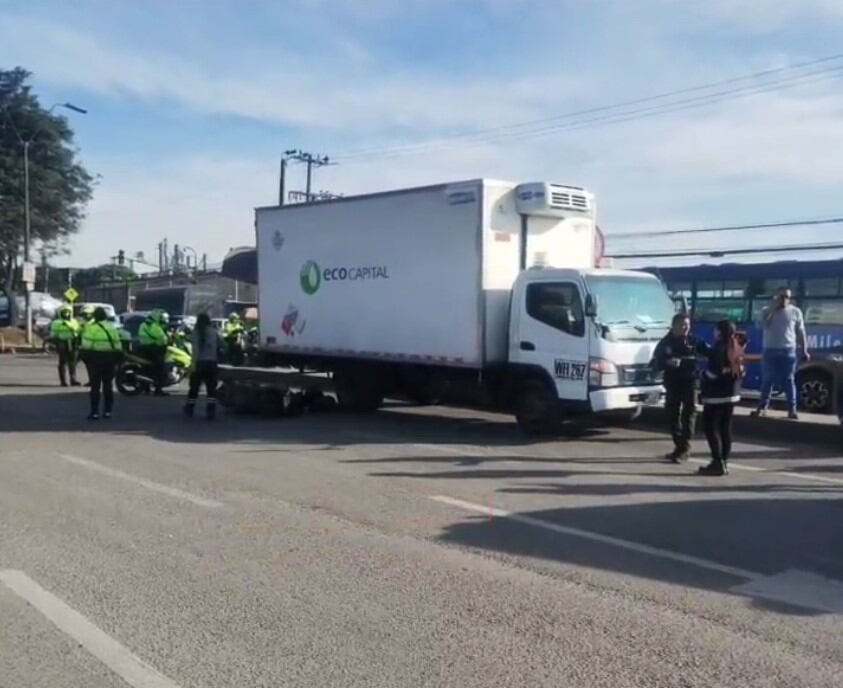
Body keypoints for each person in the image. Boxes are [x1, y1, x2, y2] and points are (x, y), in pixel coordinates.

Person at [651, 313, 709, 462]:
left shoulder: (693, 341)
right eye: (682, 325)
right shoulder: (665, 343)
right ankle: (680, 445)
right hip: (673, 383)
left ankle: (684, 448)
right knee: (672, 416)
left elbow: (710, 352)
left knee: (689, 414)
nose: (685, 328)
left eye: (688, 325)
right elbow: (655, 363)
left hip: (691, 383)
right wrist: (667, 363)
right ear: (674, 325)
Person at [752, 287, 809, 420]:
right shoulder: (766, 311)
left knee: (789, 380)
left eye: (787, 297)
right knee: (767, 380)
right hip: (770, 350)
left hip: (788, 350)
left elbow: (801, 332)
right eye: (781, 296)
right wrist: (773, 310)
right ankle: (762, 408)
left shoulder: (795, 312)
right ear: (776, 297)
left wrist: (804, 349)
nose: (784, 299)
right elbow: (762, 326)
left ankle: (792, 410)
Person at [698, 320, 747, 476]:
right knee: (725, 428)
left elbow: (714, 373)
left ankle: (717, 462)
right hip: (732, 394)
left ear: (719, 331)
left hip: (715, 396)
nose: (714, 333)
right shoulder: (736, 346)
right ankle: (724, 461)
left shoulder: (720, 347)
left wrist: (701, 376)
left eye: (715, 330)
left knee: (710, 428)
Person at [79, 306, 123, 420]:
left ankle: (94, 412)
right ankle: (108, 411)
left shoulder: (91, 329)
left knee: (95, 387)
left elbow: (86, 346)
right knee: (108, 386)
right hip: (110, 359)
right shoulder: (112, 328)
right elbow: (118, 345)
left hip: (95, 359)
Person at [184, 312, 220, 420]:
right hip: (212, 363)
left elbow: (195, 351)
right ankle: (211, 411)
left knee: (194, 389)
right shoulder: (214, 332)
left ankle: (189, 409)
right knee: (211, 389)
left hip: (199, 363)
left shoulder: (195, 333)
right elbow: (223, 345)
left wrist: (193, 365)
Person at [138, 309, 169, 396]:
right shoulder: (153, 326)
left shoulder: (144, 324)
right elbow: (162, 339)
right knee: (161, 368)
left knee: (147, 369)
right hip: (153, 349)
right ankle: (158, 389)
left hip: (144, 349)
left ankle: (147, 388)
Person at [49, 305, 81, 386]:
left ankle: (73, 379)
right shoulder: (56, 323)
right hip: (62, 343)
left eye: (68, 312)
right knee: (63, 362)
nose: (66, 314)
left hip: (73, 343)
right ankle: (63, 381)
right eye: (64, 312)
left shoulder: (74, 321)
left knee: (72, 362)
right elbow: (53, 334)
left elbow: (78, 332)